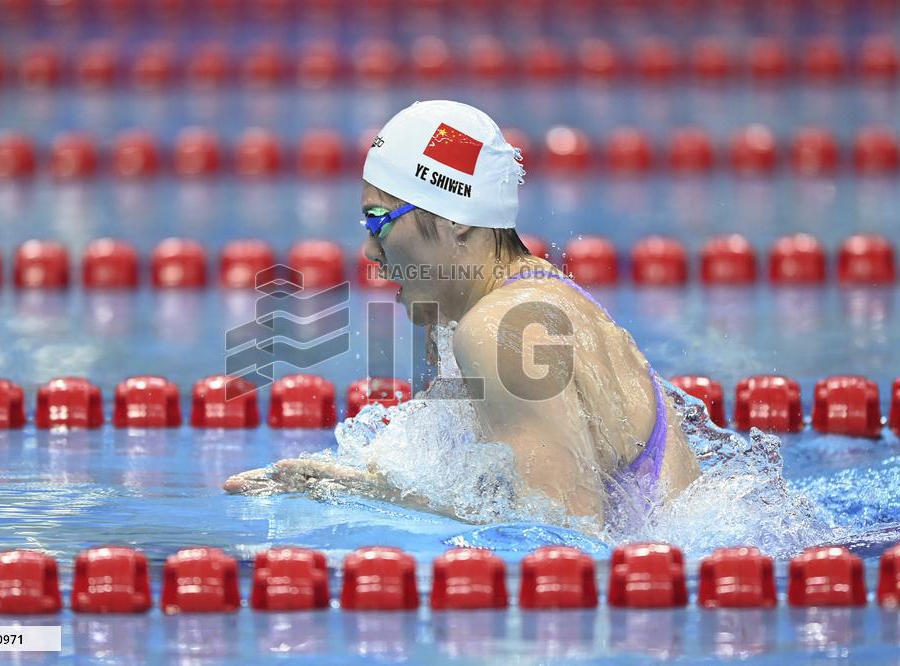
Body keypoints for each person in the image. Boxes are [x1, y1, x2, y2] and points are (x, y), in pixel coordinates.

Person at [225, 100, 700, 528]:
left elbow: (562, 536)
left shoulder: (499, 330)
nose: (369, 250)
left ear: (456, 220)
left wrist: (357, 499)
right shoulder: (531, 300)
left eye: (378, 221)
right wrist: (354, 485)